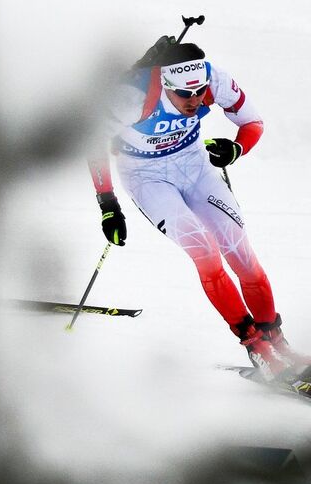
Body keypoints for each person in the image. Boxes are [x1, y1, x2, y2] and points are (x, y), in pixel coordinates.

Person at [90, 38, 305, 384]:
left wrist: (235, 148)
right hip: (147, 177)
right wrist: (108, 206)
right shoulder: (132, 97)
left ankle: (278, 341)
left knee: (241, 253)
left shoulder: (214, 79)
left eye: (199, 93)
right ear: (165, 85)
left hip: (195, 167)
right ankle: (257, 348)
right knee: (204, 251)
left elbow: (254, 123)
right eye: (183, 95)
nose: (194, 101)